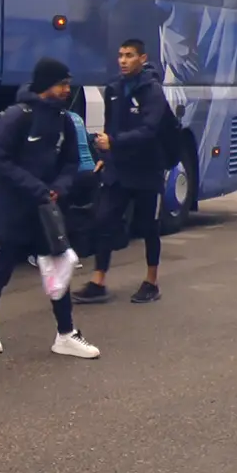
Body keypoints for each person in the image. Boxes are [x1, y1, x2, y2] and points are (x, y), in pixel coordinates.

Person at [0, 57, 100, 359]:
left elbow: (71, 161)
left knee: (58, 270)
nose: (67, 90)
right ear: (46, 84)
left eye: (68, 84)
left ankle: (66, 334)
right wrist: (36, 187)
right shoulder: (17, 116)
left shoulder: (65, 120)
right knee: (1, 268)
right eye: (62, 84)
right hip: (14, 208)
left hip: (46, 211)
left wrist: (59, 188)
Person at [72, 39, 168, 305]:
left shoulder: (152, 91)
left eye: (129, 55)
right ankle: (98, 282)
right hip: (119, 170)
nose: (123, 61)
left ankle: (151, 282)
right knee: (104, 220)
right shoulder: (114, 88)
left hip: (147, 170)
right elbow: (109, 128)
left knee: (148, 227)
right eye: (121, 55)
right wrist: (105, 157)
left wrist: (114, 143)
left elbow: (149, 130)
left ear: (142, 58)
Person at [28, 107, 101, 269]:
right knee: (82, 214)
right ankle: (77, 252)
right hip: (90, 170)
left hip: (75, 172)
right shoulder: (77, 117)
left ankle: (55, 254)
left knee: (57, 215)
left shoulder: (60, 120)